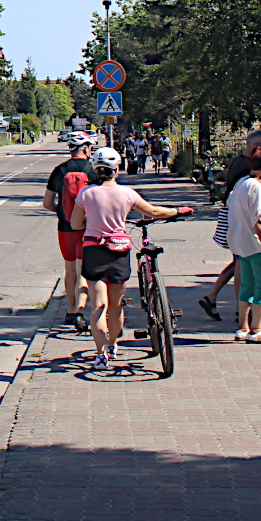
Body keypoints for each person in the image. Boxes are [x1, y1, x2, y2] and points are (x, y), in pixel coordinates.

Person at [71, 146, 189, 369]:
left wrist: (93, 223)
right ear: (117, 170)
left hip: (94, 251)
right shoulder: (127, 194)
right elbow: (153, 212)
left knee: (98, 306)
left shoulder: (86, 194)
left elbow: (76, 224)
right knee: (115, 306)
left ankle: (100, 354)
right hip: (119, 252)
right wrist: (177, 211)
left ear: (95, 170)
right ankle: (113, 344)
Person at [197, 130, 261, 322]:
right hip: (240, 218)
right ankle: (242, 313)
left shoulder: (240, 161)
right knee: (242, 263)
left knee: (240, 259)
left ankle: (212, 297)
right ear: (256, 147)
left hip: (235, 217)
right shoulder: (248, 166)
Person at [227, 150, 261, 342]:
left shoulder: (241, 183)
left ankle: (243, 327)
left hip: (240, 242)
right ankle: (257, 330)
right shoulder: (256, 188)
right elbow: (258, 220)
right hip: (256, 244)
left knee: (247, 284)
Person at [42, 140, 94, 332]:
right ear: (86, 149)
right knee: (83, 271)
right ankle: (80, 311)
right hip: (87, 228)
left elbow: (47, 203)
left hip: (65, 227)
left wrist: (61, 212)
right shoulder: (92, 170)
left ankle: (71, 310)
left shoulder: (59, 170)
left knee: (70, 269)